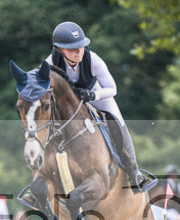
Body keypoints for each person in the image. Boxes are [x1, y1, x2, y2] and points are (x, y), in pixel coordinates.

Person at [46, 21, 147, 191]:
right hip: (68, 104)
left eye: (81, 46)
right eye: (73, 49)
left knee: (118, 121)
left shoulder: (93, 60)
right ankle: (43, 176)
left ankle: (134, 171)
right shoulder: (49, 65)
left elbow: (112, 88)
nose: (79, 52)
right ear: (60, 50)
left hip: (95, 94)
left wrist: (93, 95)